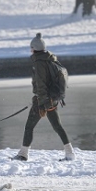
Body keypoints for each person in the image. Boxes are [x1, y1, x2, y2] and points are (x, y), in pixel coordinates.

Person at [12, 33, 75, 162]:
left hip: (43, 100)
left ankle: (23, 154)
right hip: (52, 99)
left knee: (29, 126)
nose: (30, 50)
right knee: (57, 126)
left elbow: (41, 84)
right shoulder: (50, 58)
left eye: (31, 47)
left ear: (34, 48)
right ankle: (70, 153)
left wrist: (42, 104)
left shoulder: (39, 62)